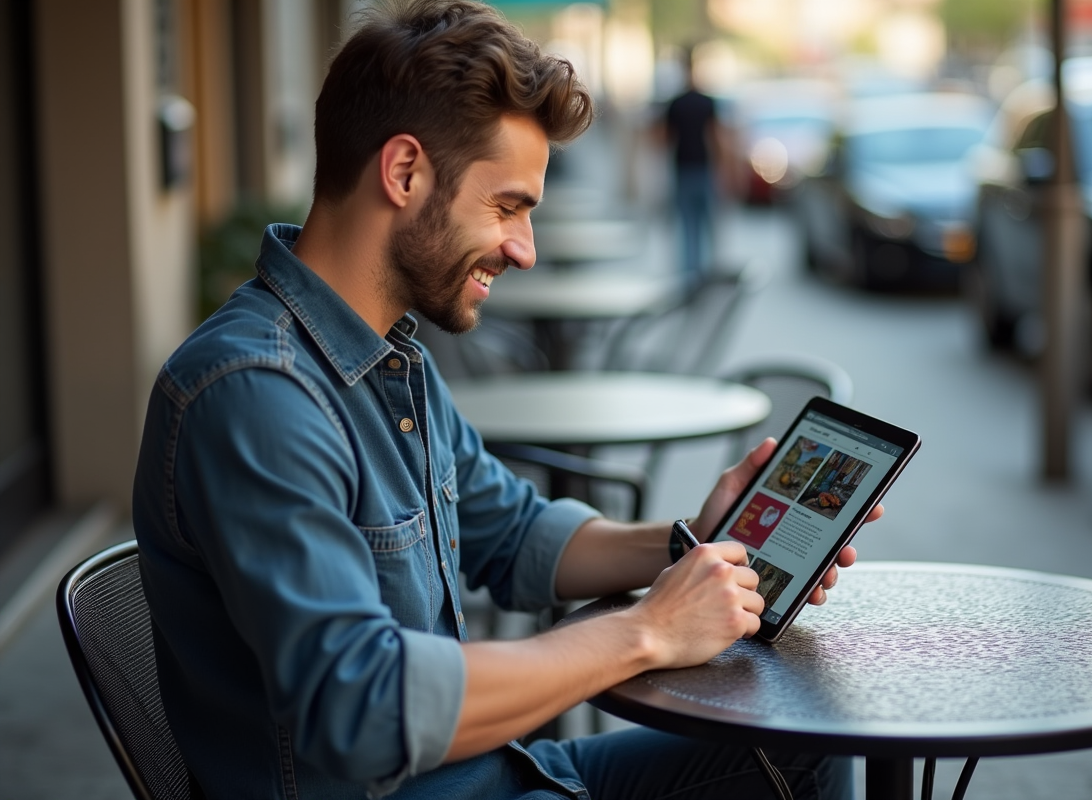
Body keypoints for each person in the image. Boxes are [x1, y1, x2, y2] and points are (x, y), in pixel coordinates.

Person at [133, 2, 875, 797]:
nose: (524, 249)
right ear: (404, 172)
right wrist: (648, 631)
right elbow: (363, 709)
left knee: (804, 747)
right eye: (508, 207)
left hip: (490, 775)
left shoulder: (387, 361)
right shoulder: (257, 395)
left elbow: (515, 535)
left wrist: (693, 541)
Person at [662, 48, 722, 287]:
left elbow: (664, 139)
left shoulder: (675, 104)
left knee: (688, 226)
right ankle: (705, 272)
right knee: (707, 223)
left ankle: (691, 276)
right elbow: (716, 138)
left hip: (684, 169)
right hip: (702, 168)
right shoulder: (707, 102)